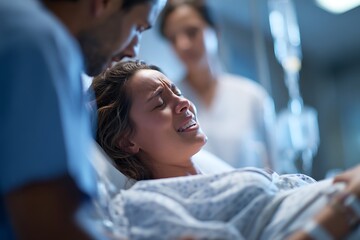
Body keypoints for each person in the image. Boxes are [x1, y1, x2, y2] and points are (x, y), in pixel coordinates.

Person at [92, 60, 360, 239]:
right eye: (159, 103)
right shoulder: (141, 205)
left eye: (176, 91)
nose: (183, 102)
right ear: (126, 141)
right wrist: (346, 208)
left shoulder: (221, 179)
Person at [0, 0, 166, 239]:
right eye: (138, 27)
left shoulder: (15, 23)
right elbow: (49, 225)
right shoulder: (39, 44)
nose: (132, 50)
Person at [157, 0, 278, 170]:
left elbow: (274, 169)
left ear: (216, 31)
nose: (182, 45)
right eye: (172, 38)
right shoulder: (166, 103)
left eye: (192, 32)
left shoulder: (252, 97)